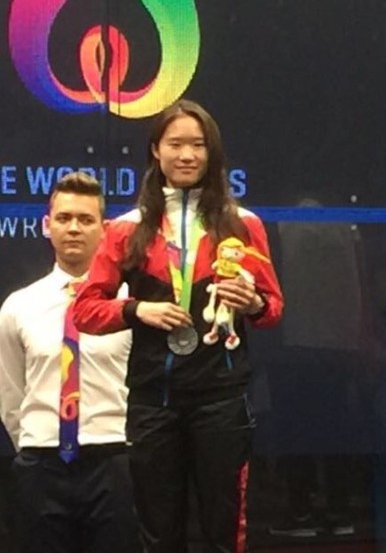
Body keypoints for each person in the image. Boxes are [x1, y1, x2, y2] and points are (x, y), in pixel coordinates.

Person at [73, 99, 284, 552]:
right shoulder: (126, 229)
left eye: (198, 145)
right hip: (154, 401)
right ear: (156, 150)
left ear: (212, 152)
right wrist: (137, 311)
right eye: (175, 144)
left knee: (223, 530)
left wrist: (251, 302)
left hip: (221, 400)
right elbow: (85, 311)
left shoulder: (243, 224)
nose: (187, 155)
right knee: (158, 533)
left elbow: (273, 310)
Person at [0, 172, 138, 552]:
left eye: (85, 219)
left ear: (105, 229)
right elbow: (10, 392)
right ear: (47, 225)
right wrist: (36, 442)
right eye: (64, 218)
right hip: (41, 464)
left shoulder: (130, 306)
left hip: (113, 459)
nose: (74, 228)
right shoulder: (18, 307)